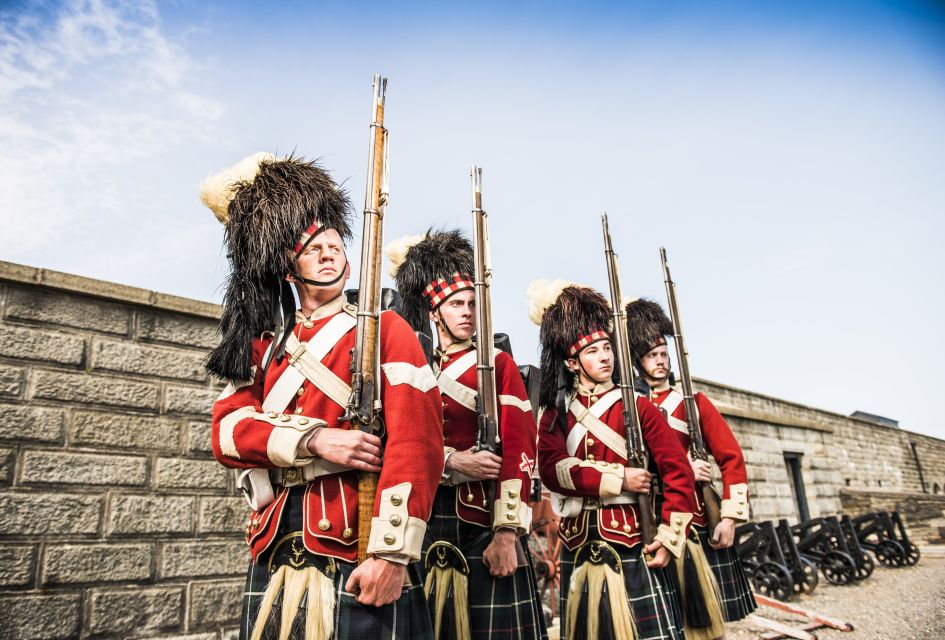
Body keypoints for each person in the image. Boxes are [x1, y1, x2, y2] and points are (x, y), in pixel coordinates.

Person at [201, 152, 443, 640]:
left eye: (335, 245)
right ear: (288, 268)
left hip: (359, 540)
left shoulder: (386, 329)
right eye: (313, 248)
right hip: (277, 538)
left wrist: (391, 554)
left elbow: (417, 443)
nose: (329, 254)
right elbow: (227, 433)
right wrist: (314, 440)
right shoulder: (264, 344)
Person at [386, 229, 547, 640]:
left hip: (481, 527)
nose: (467, 312)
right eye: (456, 303)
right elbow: (394, 438)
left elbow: (520, 452)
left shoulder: (498, 365)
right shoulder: (411, 364)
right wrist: (449, 462)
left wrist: (507, 534)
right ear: (435, 312)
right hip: (418, 523)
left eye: (473, 304)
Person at [529, 280, 696, 640]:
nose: (605, 357)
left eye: (608, 348)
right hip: (578, 543)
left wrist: (669, 536)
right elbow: (552, 470)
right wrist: (619, 479)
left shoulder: (639, 407)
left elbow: (677, 471)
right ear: (573, 362)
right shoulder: (556, 414)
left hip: (633, 540)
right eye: (594, 351)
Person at [626, 298, 756, 625]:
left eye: (663, 354)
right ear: (637, 361)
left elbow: (731, 458)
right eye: (651, 355)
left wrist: (730, 517)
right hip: (654, 522)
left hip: (697, 522)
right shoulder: (631, 407)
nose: (660, 361)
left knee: (711, 624)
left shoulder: (694, 403)